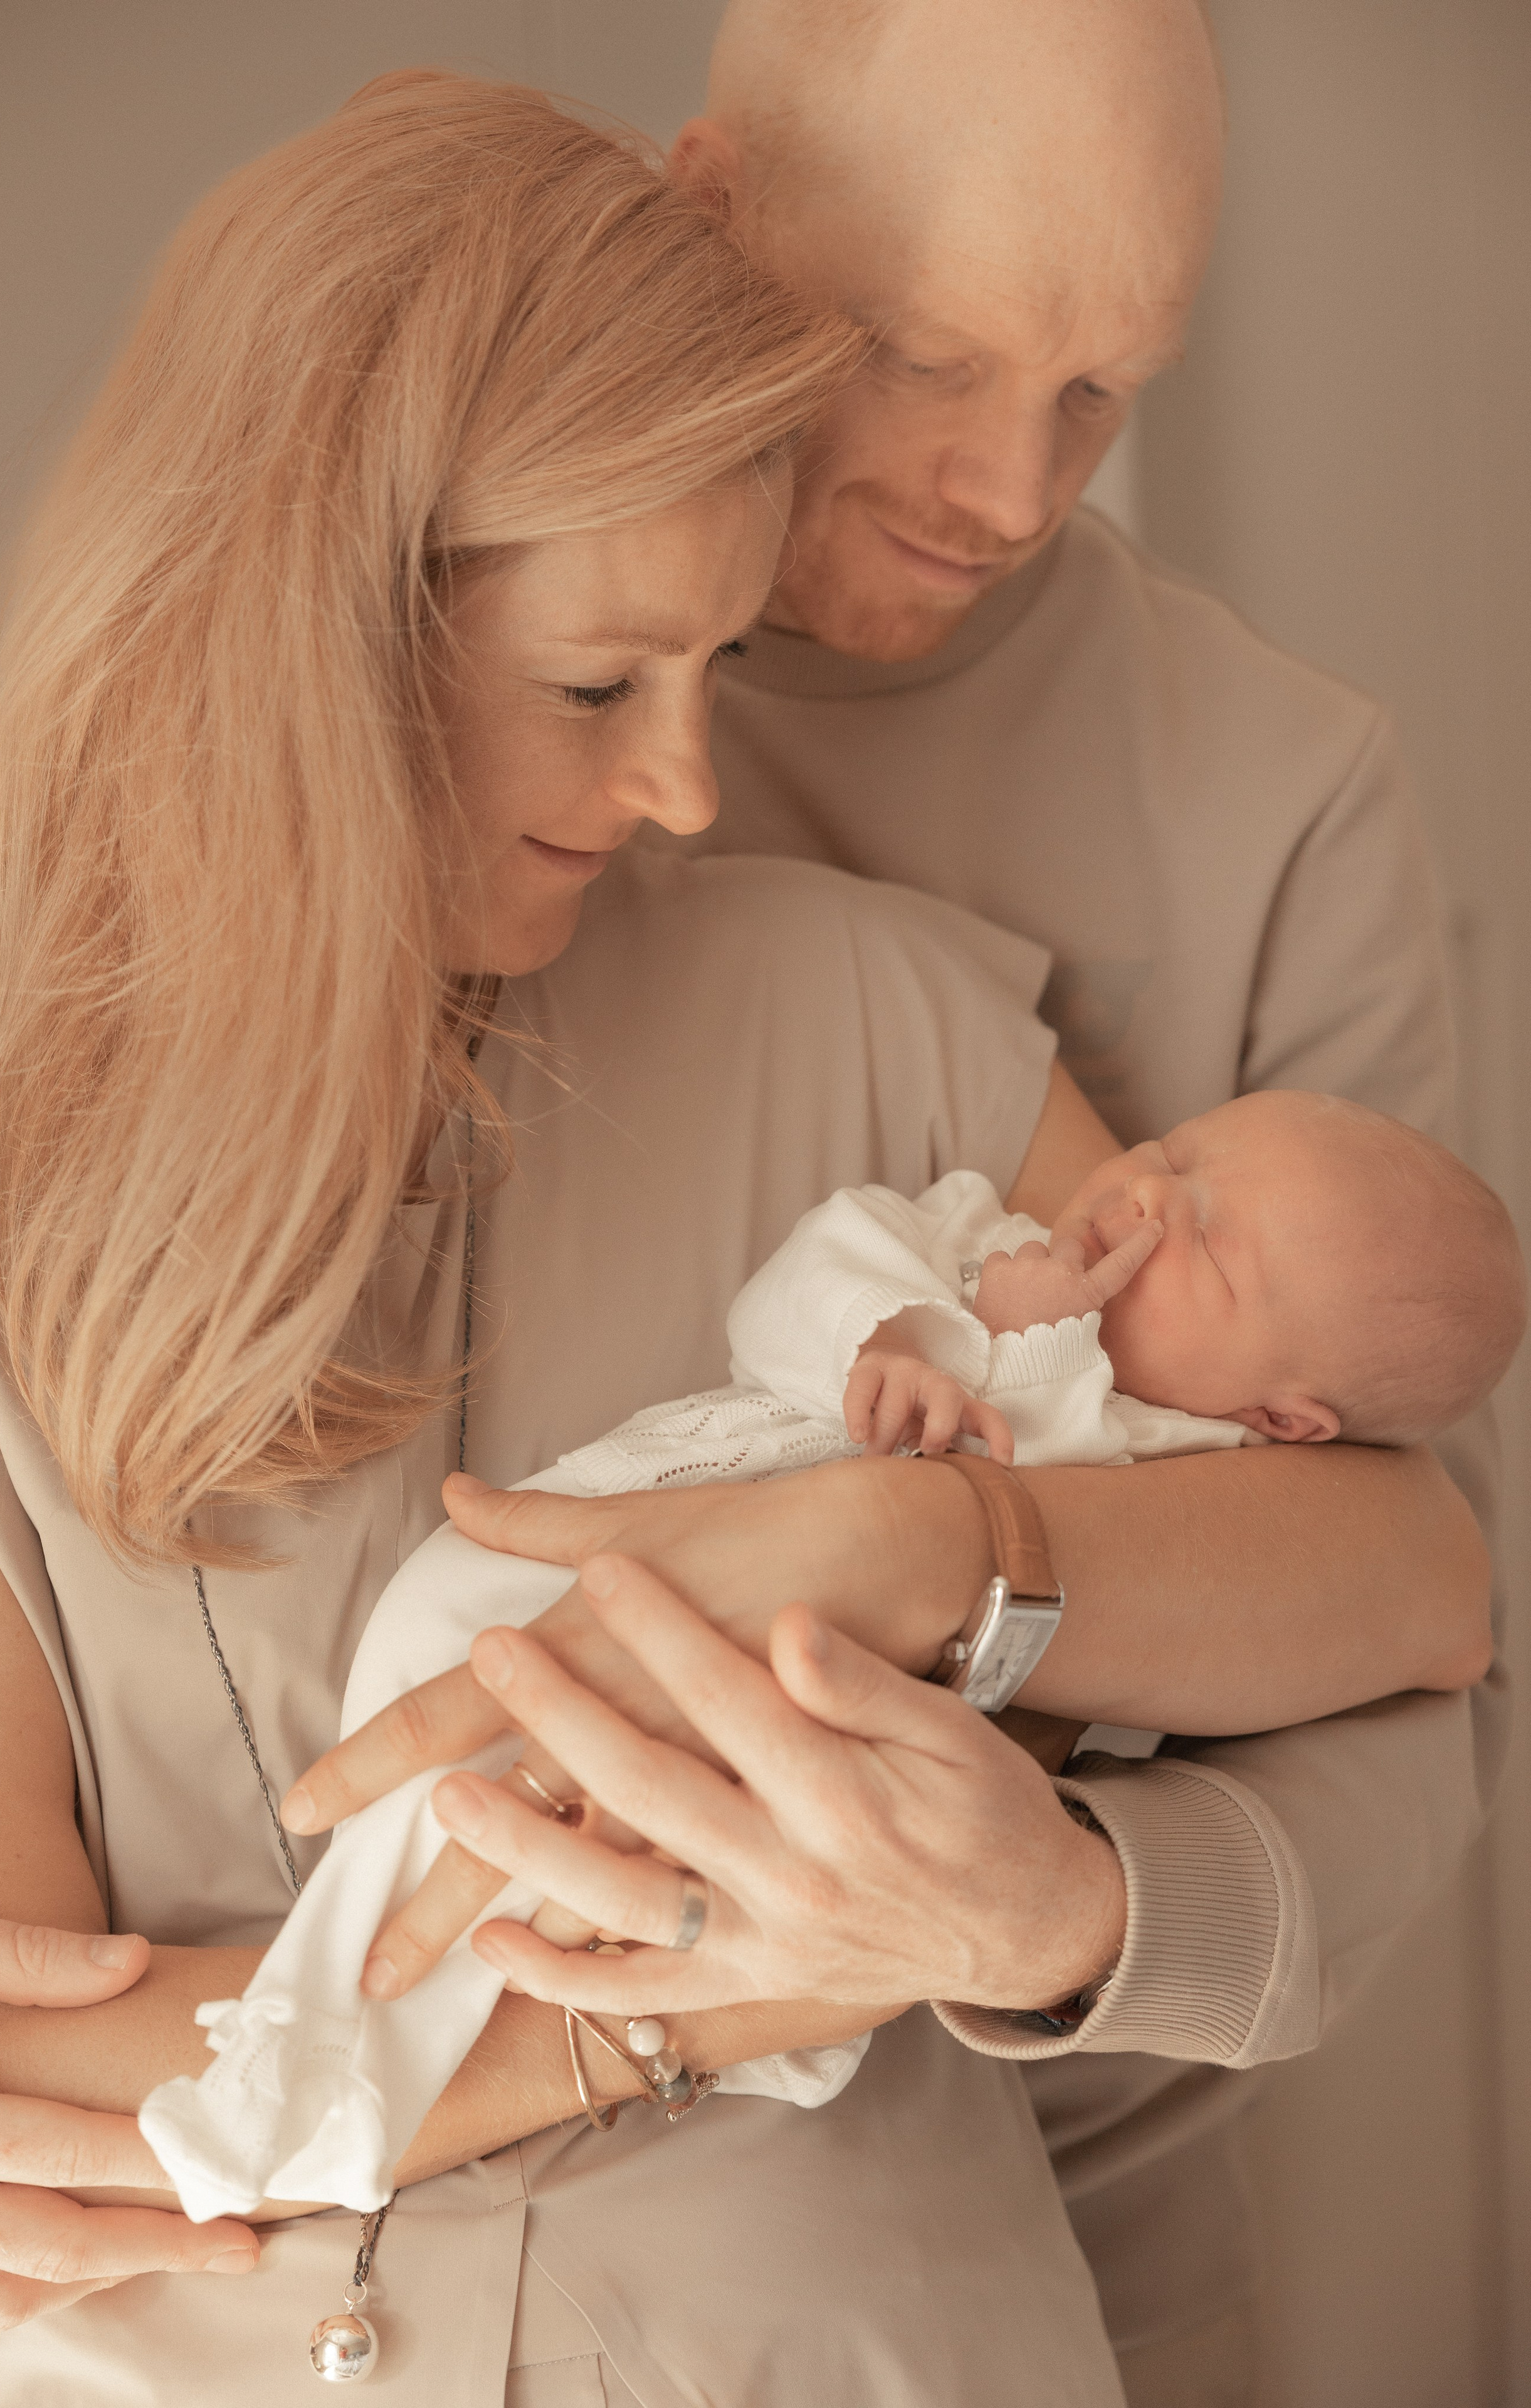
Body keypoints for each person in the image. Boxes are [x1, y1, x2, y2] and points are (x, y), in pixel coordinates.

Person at [283, 5, 1506, 2402]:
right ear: (709, 201)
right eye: (930, 353)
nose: (1016, 488)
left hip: (1021, 2250)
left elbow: (1419, 1612)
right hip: (328, 2214)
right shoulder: (391, 665)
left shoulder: (1279, 802)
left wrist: (1031, 1848)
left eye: (1102, 391)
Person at [135, 1089, 1516, 2229]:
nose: (1151, 1194)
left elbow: (1114, 1548)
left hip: (769, 1753)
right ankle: (302, 2053)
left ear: (1281, 1422)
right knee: (462, 1765)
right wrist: (910, 1335)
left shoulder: (1187, 1474)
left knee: (552, 1882)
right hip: (579, 1568)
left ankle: (323, 2082)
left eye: (1209, 1246)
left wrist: (1030, 1347)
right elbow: (804, 1285)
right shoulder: (977, 1238)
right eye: (1175, 1153)